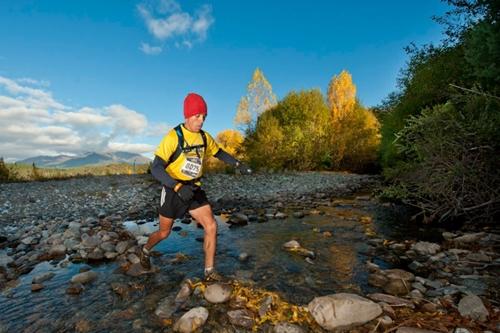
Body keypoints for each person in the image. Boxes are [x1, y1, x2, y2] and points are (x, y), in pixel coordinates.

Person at [140, 92, 252, 281]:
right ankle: (144, 250)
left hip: (194, 189)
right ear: (187, 115)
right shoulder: (173, 137)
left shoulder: (204, 137)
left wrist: (238, 164)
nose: (201, 121)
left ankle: (209, 272)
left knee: (211, 226)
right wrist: (176, 187)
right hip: (173, 190)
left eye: (204, 117)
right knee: (164, 232)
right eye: (197, 116)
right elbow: (156, 168)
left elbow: (219, 152)